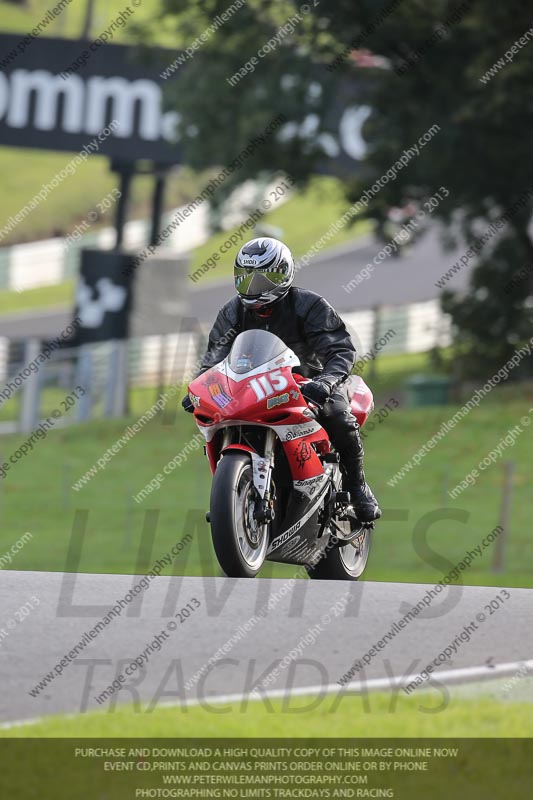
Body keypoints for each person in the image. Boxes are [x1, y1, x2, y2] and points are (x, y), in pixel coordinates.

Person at [182, 237, 381, 523]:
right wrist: (200, 388)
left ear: (283, 275)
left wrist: (325, 382)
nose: (253, 288)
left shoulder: (309, 305)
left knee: (339, 416)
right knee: (217, 416)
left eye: (263, 279)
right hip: (252, 386)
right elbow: (213, 359)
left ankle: (357, 486)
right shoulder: (232, 311)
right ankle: (236, 495)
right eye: (246, 278)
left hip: (309, 382)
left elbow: (340, 350)